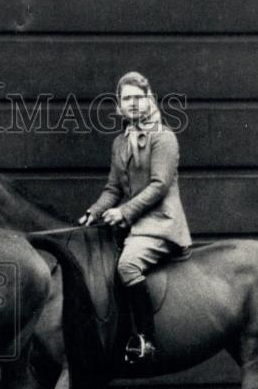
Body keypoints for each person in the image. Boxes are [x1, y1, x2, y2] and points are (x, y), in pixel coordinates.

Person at [80, 71, 192, 364]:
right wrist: (94, 211)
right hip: (133, 227)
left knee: (127, 265)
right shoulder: (120, 142)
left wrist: (124, 212)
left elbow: (159, 185)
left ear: (149, 99)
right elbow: (113, 188)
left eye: (137, 98)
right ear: (119, 105)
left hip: (161, 225)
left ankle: (146, 340)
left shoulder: (163, 137)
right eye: (126, 99)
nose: (132, 103)